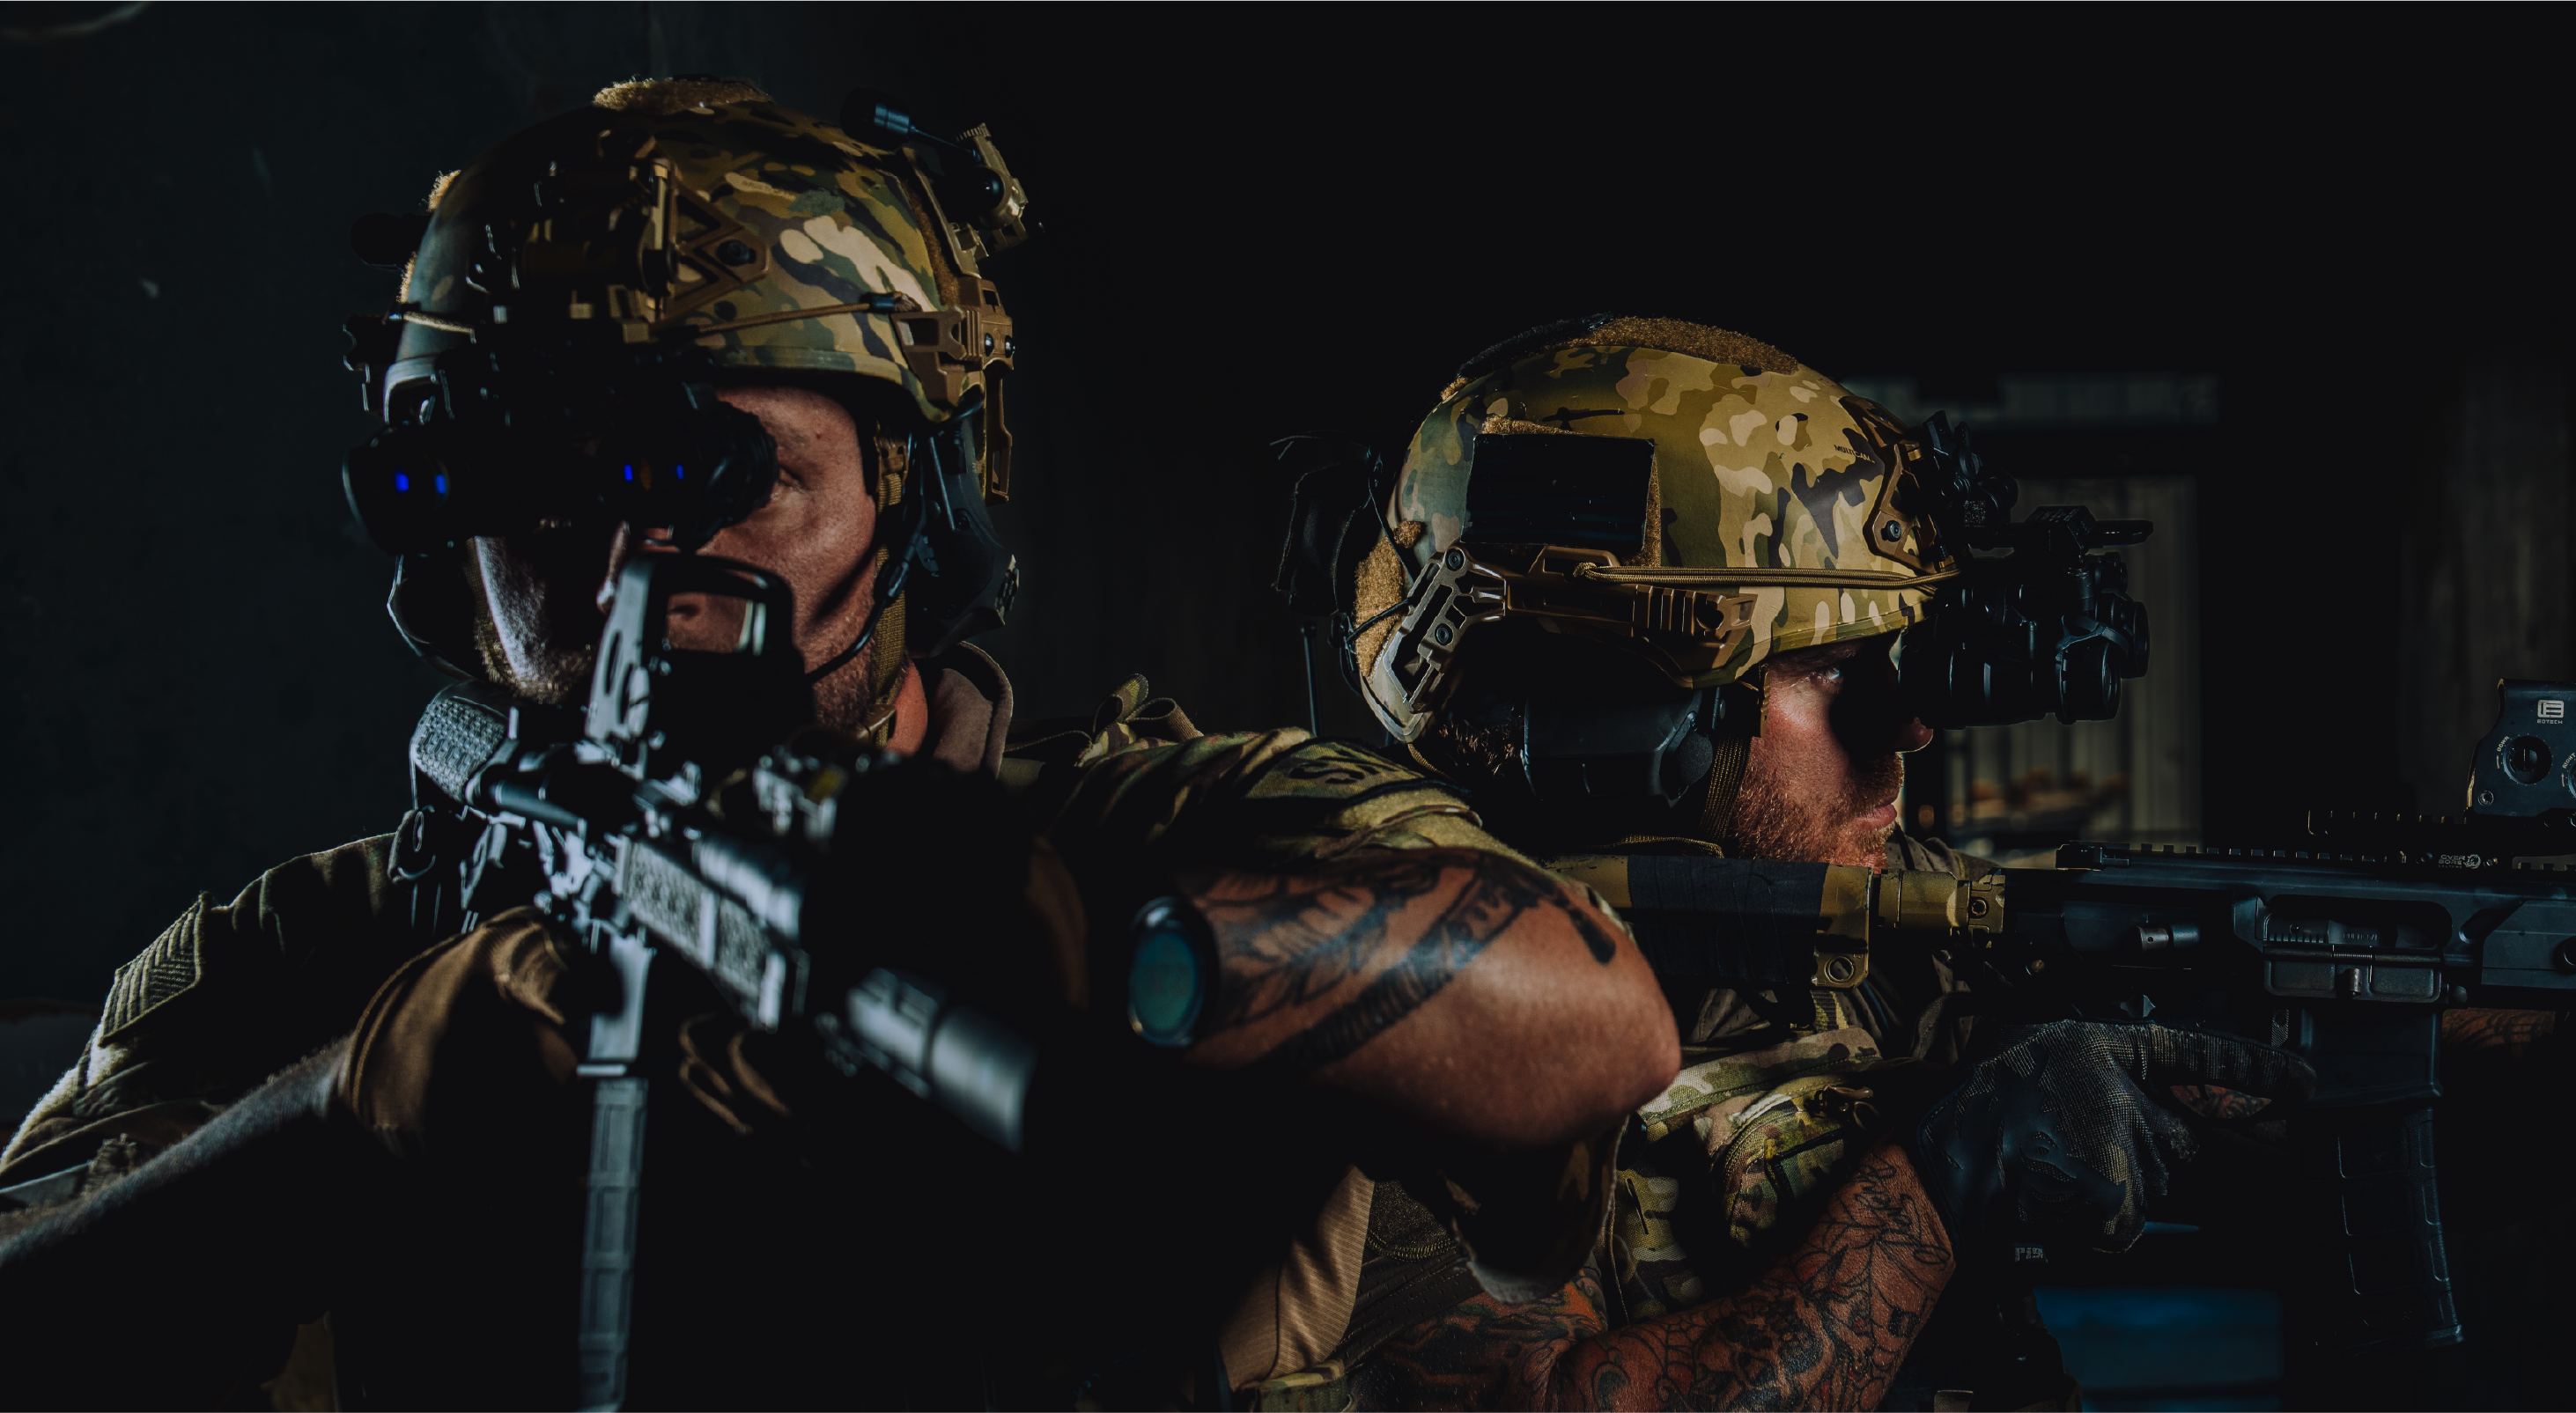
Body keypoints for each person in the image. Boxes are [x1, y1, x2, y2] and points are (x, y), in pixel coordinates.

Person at [0, 84, 1676, 1411]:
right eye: (537, 483)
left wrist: (1107, 960)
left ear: (922, 503)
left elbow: (1591, 1014)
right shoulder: (308, 963)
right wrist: (345, 1121)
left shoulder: (1160, 818)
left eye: (726, 479)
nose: (623, 573)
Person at [1253, 315, 2313, 1413]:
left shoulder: (1852, 918)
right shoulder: (1369, 992)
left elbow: (2280, 1091)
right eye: (1835, 675)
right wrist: (1936, 1191)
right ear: (1626, 718)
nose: (1907, 733)